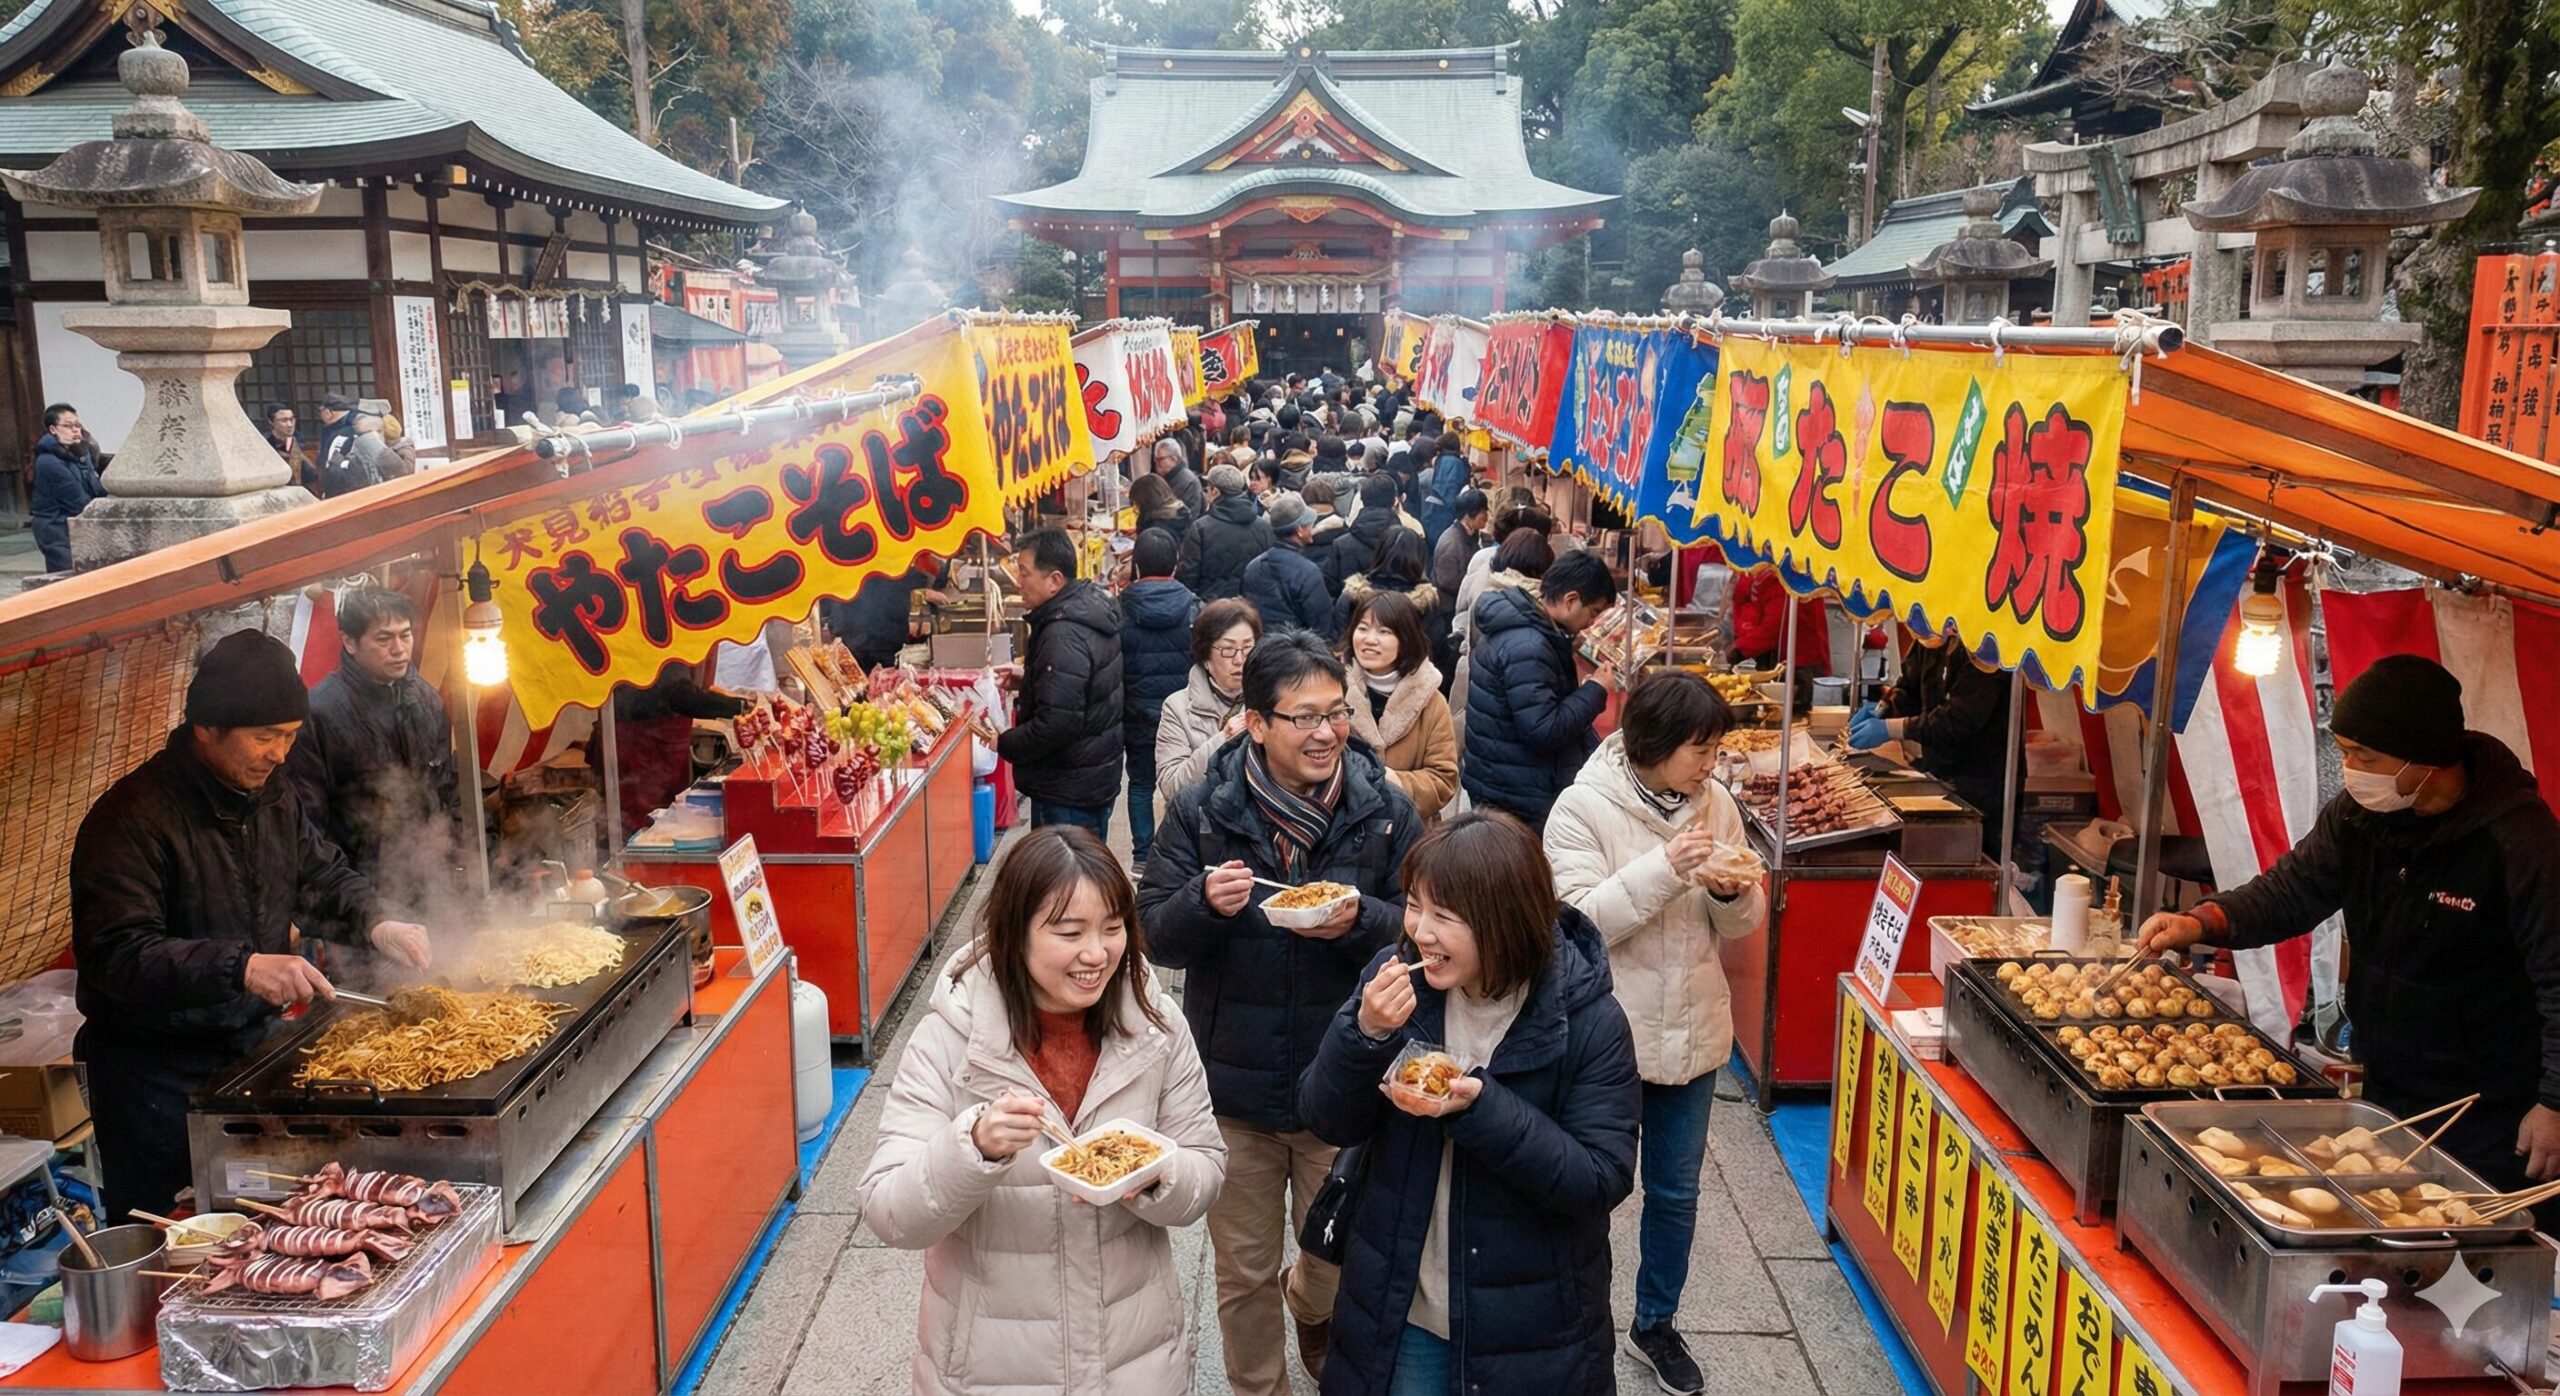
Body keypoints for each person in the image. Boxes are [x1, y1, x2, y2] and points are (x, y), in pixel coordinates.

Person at [2136, 656, 2560, 1191]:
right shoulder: (2361, 818)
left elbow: (2558, 982)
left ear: (2424, 758)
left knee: (2466, 1252)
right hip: (2388, 1087)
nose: (2350, 768)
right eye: (2345, 751)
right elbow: (2292, 890)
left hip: (2490, 1107)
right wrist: (2200, 922)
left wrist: (2555, 1103)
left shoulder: (2521, 843)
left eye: (2365, 754)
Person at [1140, 631, 1422, 1392]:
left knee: (1342, 1250)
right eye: (1303, 717)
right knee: (1243, 1271)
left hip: (1351, 1083)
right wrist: (1203, 903)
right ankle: (1258, 1385)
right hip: (1236, 1093)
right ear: (1256, 723)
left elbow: (1428, 929)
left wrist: (1360, 919)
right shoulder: (1205, 811)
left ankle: (1313, 1301)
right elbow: (1151, 931)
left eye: (1336, 712)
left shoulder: (1385, 810)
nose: (1326, 732)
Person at [70, 631, 433, 1221]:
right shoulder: (129, 821)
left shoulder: (270, 796)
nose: (280, 754)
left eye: (290, 737)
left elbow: (319, 872)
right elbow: (116, 954)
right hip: (156, 1080)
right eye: (265, 737)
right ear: (206, 729)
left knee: (276, 1221)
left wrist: (376, 921)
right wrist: (242, 967)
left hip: (250, 1052)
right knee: (180, 1233)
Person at [857, 827, 1226, 1394]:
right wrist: (972, 1145)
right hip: (989, 1368)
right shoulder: (952, 1039)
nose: (1096, 954)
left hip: (1134, 1360)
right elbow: (889, 1212)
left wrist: (1158, 1174)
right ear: (1014, 934)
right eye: (1069, 932)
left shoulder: (1155, 1026)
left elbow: (1204, 1167)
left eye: (1112, 928)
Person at [1299, 810, 1640, 1395]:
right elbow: (1326, 1115)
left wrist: (1481, 1109)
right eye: (1414, 905)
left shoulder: (1587, 1019)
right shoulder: (1395, 981)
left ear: (1503, 922)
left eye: (1444, 916)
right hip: (1405, 1305)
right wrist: (1365, 1034)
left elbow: (1600, 1178)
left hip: (1531, 1322)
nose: (1419, 931)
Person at [1544, 670, 1769, 1392]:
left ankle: (1655, 1323)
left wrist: (1734, 893)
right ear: (1654, 741)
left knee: (1676, 1192)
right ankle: (1572, 1319)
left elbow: (1739, 922)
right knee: (1587, 1189)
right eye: (1699, 749)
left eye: (1714, 749)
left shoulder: (1719, 804)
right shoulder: (1582, 807)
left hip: (1694, 1028)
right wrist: (1666, 868)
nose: (1710, 763)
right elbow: (1578, 924)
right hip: (1605, 1036)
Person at [282, 586, 461, 908]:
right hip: (357, 890)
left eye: (405, 635)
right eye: (384, 639)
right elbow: (309, 824)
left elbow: (446, 788)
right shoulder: (319, 713)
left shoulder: (425, 698)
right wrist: (349, 899)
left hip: (428, 879)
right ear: (350, 642)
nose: (399, 649)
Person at [1464, 548, 1619, 831]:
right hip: (1517, 795)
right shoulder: (1529, 645)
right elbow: (1543, 729)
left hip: (1506, 780)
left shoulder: (1530, 627)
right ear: (1571, 600)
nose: (1591, 623)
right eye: (1593, 612)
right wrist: (1596, 689)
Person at [997, 528, 1124, 837]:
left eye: (1024, 573)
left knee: (1065, 880)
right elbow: (1079, 687)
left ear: (1054, 580)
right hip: (1089, 777)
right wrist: (1031, 679)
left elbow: (1057, 724)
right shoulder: (1085, 606)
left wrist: (1003, 743)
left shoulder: (1063, 633)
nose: (1018, 582)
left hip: (1067, 789)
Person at [1847, 626, 2010, 850]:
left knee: (1970, 854)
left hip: (1981, 781)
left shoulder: (1985, 647)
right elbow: (1909, 686)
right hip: (1939, 772)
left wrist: (1892, 729)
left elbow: (1959, 718)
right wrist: (1885, 708)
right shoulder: (1930, 636)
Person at [1120, 529, 1200, 874]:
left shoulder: (1119, 609)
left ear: (1135, 566)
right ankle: (1181, 850)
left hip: (1137, 711)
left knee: (1140, 782)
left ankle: (1142, 855)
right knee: (1184, 778)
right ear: (1176, 564)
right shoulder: (1195, 608)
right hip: (1185, 712)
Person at [1339, 589, 1457, 820]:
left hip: (1407, 833)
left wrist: (1393, 781)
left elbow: (1443, 780)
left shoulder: (1430, 702)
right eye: (1362, 628)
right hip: (1343, 832)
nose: (1370, 639)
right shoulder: (1332, 688)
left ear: (1406, 639)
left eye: (1384, 631)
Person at [603, 662, 746, 836]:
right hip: (640, 743)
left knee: (664, 817)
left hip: (662, 745)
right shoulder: (665, 641)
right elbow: (681, 697)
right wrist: (739, 707)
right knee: (643, 823)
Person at [1155, 598, 1262, 817]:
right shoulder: (1177, 707)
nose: (1240, 659)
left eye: (1248, 647)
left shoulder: (1271, 701)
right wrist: (1222, 739)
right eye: (1227, 650)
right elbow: (1172, 787)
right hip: (1200, 828)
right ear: (1205, 655)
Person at [1333, 527, 1443, 658]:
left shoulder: (1351, 596)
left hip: (1358, 668)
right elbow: (1436, 647)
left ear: (1379, 553)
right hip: (1409, 673)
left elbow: (1339, 638)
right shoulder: (1427, 603)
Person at [1241, 493, 1334, 639]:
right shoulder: (1307, 572)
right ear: (1300, 530)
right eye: (1309, 524)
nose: (1312, 527)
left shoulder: (1253, 567)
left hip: (1261, 650)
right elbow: (1321, 626)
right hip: (1296, 651)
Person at [1176, 464, 1271, 602]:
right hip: (1251, 608)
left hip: (1211, 608)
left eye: (1208, 488)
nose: (1206, 492)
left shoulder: (1200, 528)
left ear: (1216, 492)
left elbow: (1188, 576)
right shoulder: (1264, 528)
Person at [31, 403, 106, 572]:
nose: (75, 430)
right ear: (53, 430)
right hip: (55, 527)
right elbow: (78, 502)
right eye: (67, 426)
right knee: (65, 577)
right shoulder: (48, 462)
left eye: (77, 425)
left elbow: (97, 488)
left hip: (75, 525)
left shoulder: (78, 453)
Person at [1327, 473, 1406, 596]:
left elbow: (1333, 589)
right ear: (1394, 501)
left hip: (1354, 611)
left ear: (1362, 501)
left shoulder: (1341, 544)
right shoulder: (1407, 541)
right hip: (1397, 611)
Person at [1431, 488, 1490, 598]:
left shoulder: (1475, 534)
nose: (1487, 516)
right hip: (1450, 607)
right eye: (1483, 512)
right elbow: (1448, 583)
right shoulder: (1450, 544)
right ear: (1468, 516)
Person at [1419, 430, 1468, 551]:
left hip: (1432, 512)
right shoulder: (1453, 462)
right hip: (1443, 515)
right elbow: (1449, 490)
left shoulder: (1441, 460)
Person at [310, 393, 357, 492]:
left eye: (320, 411)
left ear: (327, 412)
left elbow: (331, 466)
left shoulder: (337, 436)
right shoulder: (357, 426)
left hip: (340, 488)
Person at [1130, 470, 1192, 541]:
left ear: (1147, 502)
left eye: (1137, 504)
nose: (1135, 510)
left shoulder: (1157, 531)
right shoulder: (1179, 514)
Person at [1153, 436, 1206, 517]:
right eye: (1155, 460)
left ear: (1174, 458)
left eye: (1160, 459)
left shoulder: (1189, 482)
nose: (1157, 464)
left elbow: (1189, 516)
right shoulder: (1166, 478)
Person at [263, 403, 305, 471]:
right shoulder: (264, 443)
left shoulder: (299, 440)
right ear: (271, 422)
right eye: (284, 420)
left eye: (291, 419)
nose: (289, 425)